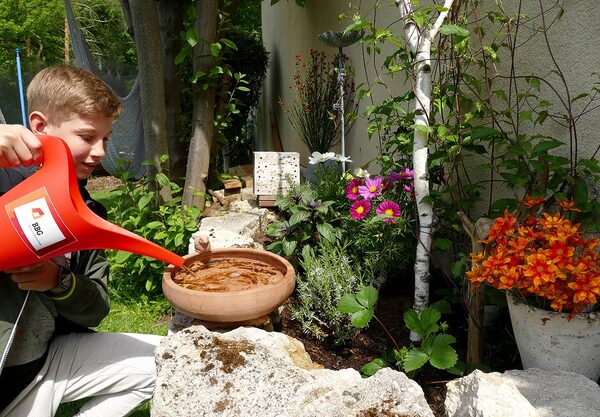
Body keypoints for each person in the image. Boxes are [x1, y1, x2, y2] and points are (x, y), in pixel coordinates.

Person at [0, 66, 162, 416]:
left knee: (167, 360)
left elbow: (97, 308)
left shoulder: (88, 213)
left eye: (106, 137)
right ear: (40, 126)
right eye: (88, 136)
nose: (101, 150)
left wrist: (58, 281)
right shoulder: (3, 178)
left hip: (39, 370)